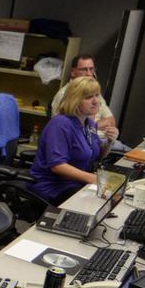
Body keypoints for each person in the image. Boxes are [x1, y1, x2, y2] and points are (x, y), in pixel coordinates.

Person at [27, 76, 111, 204]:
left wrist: (109, 142)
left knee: (110, 199)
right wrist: (93, 179)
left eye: (97, 95)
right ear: (75, 100)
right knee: (99, 203)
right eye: (88, 97)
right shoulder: (60, 124)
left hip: (77, 183)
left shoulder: (89, 124)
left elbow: (97, 155)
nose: (95, 101)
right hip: (54, 187)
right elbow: (58, 166)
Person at [51, 55, 118, 142]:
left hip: (102, 140)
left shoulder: (94, 91)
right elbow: (76, 131)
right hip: (83, 142)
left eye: (91, 69)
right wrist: (95, 126)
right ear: (72, 72)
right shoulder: (66, 94)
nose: (89, 74)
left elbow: (111, 121)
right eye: (84, 69)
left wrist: (92, 126)